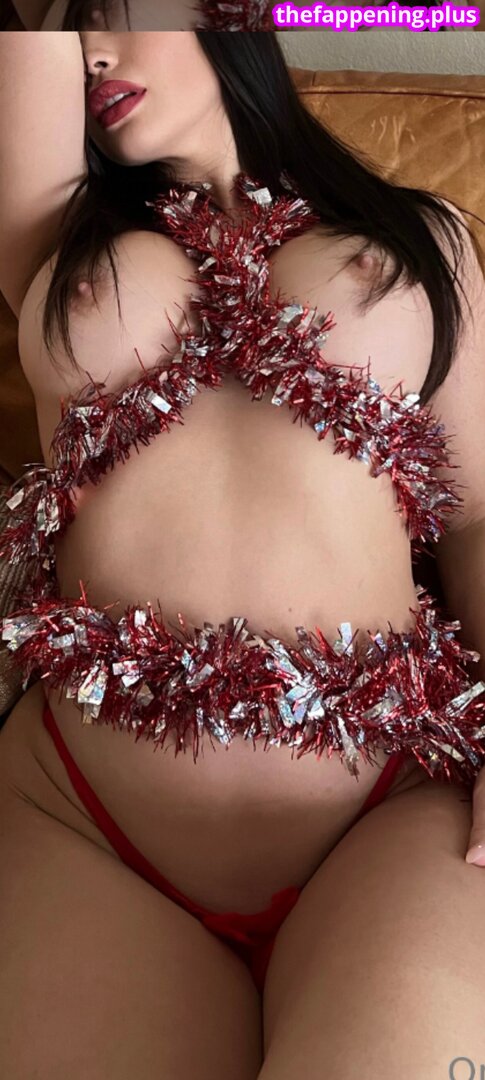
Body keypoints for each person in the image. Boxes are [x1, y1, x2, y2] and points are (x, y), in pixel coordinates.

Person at [1, 29, 485, 1078]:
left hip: (389, 807)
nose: (92, 53)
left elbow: (477, 518)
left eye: (117, 12)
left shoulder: (423, 234)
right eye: (74, 27)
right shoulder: (52, 230)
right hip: (83, 822)